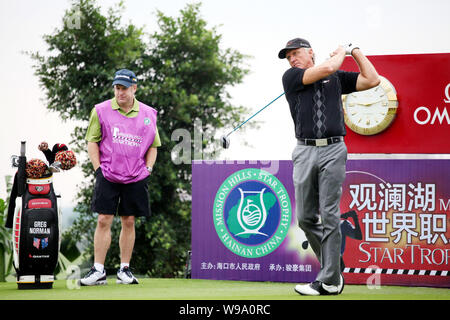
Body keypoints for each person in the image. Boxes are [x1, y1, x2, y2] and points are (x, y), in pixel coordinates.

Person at [278, 38, 380, 295]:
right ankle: (333, 268)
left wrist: (355, 50)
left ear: (310, 52)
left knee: (331, 213)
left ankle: (330, 280)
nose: (292, 59)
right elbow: (324, 69)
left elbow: (372, 79)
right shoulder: (292, 76)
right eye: (288, 56)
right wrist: (339, 54)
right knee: (305, 218)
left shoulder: (337, 78)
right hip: (304, 149)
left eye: (295, 53)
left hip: (334, 148)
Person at [80, 69, 161, 286]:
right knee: (103, 219)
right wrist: (98, 170)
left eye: (124, 88)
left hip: (136, 175)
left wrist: (148, 170)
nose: (120, 92)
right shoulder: (101, 110)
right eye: (117, 88)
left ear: (134, 88)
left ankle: (124, 270)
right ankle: (98, 270)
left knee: (129, 220)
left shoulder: (148, 113)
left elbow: (153, 146)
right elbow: (92, 141)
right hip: (108, 173)